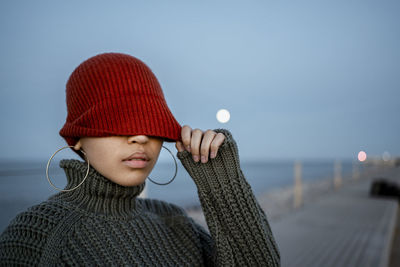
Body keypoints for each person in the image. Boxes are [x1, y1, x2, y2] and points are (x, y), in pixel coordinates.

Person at [0, 52, 280, 266]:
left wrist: (222, 182)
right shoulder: (39, 234)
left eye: (151, 124)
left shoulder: (174, 220)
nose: (140, 138)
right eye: (116, 122)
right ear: (78, 137)